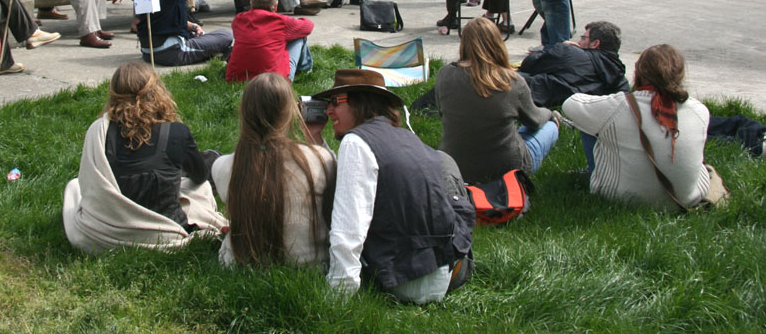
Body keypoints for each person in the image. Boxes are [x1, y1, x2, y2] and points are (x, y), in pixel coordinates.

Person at [317, 68, 474, 304]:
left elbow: (349, 228)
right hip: (451, 269)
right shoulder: (406, 137)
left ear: (361, 103)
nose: (328, 111)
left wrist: (338, 295)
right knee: (443, 160)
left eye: (335, 102)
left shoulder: (356, 142)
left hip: (405, 281)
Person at [62, 62, 227, 254]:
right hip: (166, 230)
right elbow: (200, 175)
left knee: (74, 187)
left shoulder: (98, 131)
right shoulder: (176, 132)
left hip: (105, 228)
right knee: (204, 185)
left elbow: (92, 184)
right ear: (156, 91)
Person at [563, 44, 712, 211]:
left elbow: (570, 104)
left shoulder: (618, 107)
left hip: (622, 198)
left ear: (638, 71)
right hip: (686, 199)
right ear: (681, 74)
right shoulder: (700, 111)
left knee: (592, 120)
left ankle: (593, 172)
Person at [212, 72, 335, 267]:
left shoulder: (222, 166)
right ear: (291, 112)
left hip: (240, 265)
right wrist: (313, 137)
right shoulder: (321, 159)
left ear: (243, 112)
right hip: (310, 265)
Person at [434, 17, 560, 185]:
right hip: (508, 170)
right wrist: (550, 114)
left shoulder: (444, 75)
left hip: (455, 167)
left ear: (464, 42)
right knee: (550, 127)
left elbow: (441, 113)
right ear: (497, 42)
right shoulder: (513, 81)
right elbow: (535, 121)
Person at [518, 21, 630, 107]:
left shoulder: (569, 52)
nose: (579, 42)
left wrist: (558, 47)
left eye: (583, 38)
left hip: (538, 98)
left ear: (595, 43)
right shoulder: (619, 77)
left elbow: (528, 64)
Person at [226, 0, 313, 82]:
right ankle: (305, 68)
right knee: (299, 37)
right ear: (275, 6)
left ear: (251, 3)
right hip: (274, 81)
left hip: (237, 77)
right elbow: (308, 26)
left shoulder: (238, 20)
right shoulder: (282, 22)